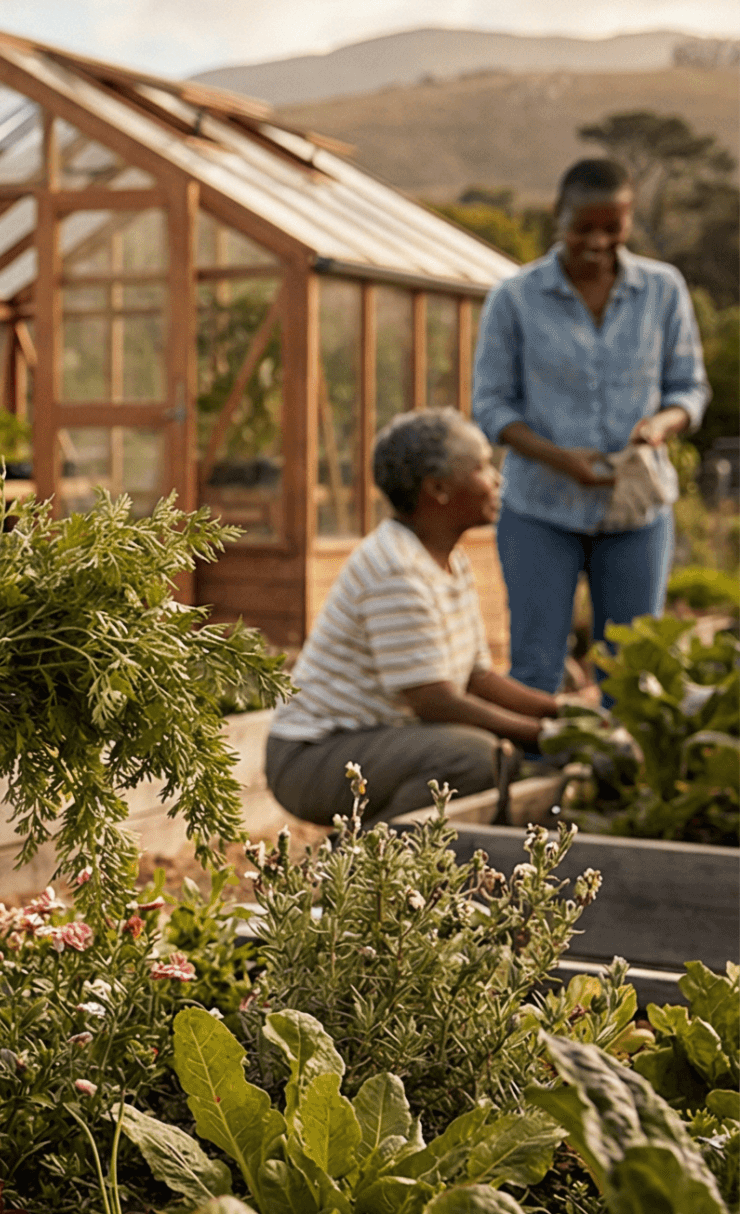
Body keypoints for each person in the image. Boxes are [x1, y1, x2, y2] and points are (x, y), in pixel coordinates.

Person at [472, 157, 711, 693]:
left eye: (614, 228)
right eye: (585, 228)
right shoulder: (515, 298)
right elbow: (490, 406)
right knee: (535, 667)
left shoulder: (663, 290)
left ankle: (615, 775)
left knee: (630, 674)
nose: (599, 242)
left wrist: (659, 427)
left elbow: (690, 389)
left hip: (637, 509)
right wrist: (561, 458)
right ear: (559, 217)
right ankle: (539, 773)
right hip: (540, 509)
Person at [266, 409, 567, 823]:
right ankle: (361, 863)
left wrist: (561, 712)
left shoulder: (450, 560)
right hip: (313, 755)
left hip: (368, 742)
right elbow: (434, 701)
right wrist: (544, 736)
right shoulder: (397, 569)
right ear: (439, 489)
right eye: (480, 467)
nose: (497, 479)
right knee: (476, 758)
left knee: (488, 755)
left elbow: (477, 678)